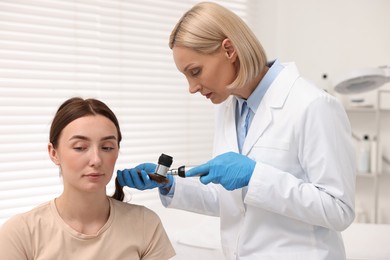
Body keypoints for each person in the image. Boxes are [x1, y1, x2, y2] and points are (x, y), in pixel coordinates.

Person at [117, 2, 356, 260]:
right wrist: (170, 184)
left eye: (195, 72)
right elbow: (234, 202)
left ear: (229, 50)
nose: (192, 87)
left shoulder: (313, 105)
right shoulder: (230, 108)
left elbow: (338, 209)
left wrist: (255, 176)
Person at [0, 97, 175, 260]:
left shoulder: (145, 224)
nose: (96, 160)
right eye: (80, 147)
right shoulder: (21, 232)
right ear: (54, 153)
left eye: (107, 147)